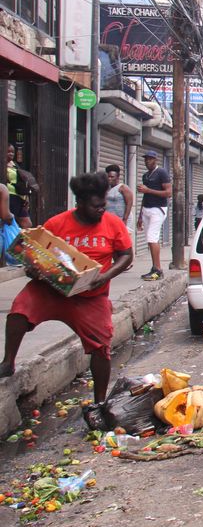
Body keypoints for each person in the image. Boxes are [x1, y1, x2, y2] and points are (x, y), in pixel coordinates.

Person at [0, 171, 133, 405]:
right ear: (79, 203)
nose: (101, 210)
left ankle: (99, 403)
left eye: (103, 205)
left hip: (91, 295)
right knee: (20, 309)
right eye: (95, 207)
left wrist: (105, 276)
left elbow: (126, 256)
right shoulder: (57, 223)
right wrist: (34, 270)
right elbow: (35, 255)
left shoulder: (112, 223)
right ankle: (8, 362)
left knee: (102, 347)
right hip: (53, 290)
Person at [136, 150, 171, 281]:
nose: (147, 161)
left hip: (158, 209)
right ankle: (154, 267)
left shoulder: (162, 172)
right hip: (146, 209)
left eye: (150, 159)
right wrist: (140, 215)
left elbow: (168, 193)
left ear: (155, 160)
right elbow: (145, 196)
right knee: (150, 240)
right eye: (146, 159)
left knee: (152, 237)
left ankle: (158, 269)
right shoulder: (145, 176)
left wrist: (148, 190)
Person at [7, 144, 32, 229]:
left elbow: (22, 180)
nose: (11, 154)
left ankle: (20, 241)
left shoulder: (15, 165)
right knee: (10, 223)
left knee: (27, 224)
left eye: (12, 152)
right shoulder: (3, 165)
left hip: (20, 196)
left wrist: (26, 196)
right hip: (10, 196)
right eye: (8, 152)